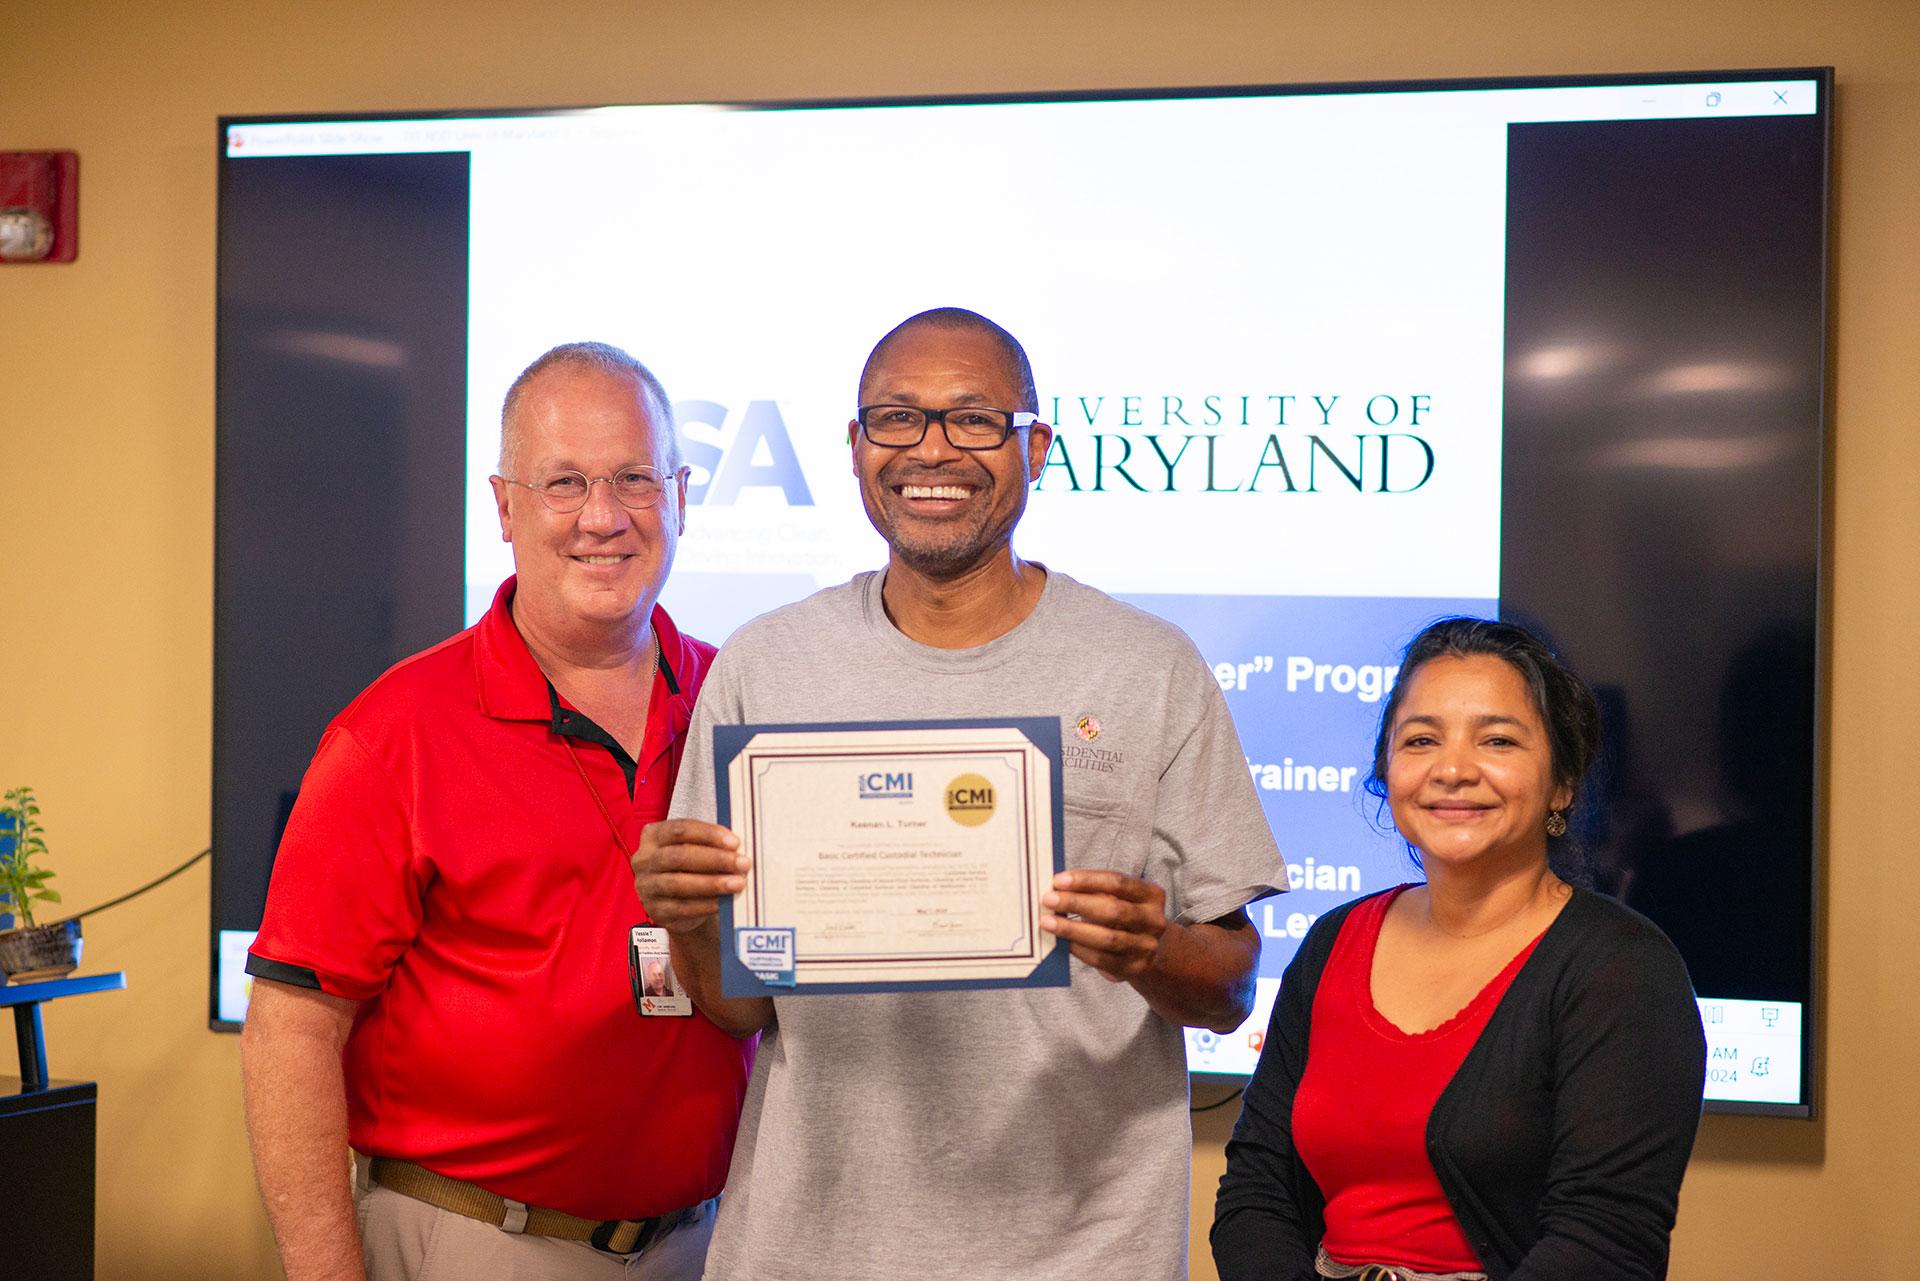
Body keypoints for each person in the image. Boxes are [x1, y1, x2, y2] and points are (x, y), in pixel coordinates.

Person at [633, 307, 1286, 1280]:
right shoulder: (767, 666)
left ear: (1037, 447)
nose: (930, 448)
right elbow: (740, 1008)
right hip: (810, 1249)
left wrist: (1149, 947)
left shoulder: (1148, 668)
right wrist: (689, 924)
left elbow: (1232, 990)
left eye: (975, 420)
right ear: (854, 450)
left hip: (1082, 1253)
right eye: (896, 419)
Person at [241, 343, 754, 1281]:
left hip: (714, 1244)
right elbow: (292, 1027)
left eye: (635, 477)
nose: (605, 517)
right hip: (481, 1242)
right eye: (564, 482)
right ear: (505, 505)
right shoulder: (392, 733)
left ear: (681, 491)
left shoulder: (739, 703)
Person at [1212, 617, 1707, 1281]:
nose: (1452, 769)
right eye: (1421, 739)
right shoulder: (1333, 940)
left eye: (1497, 739)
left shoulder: (1623, 969)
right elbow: (1255, 1190)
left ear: (1562, 783)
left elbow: (1606, 1244)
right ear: (1387, 772)